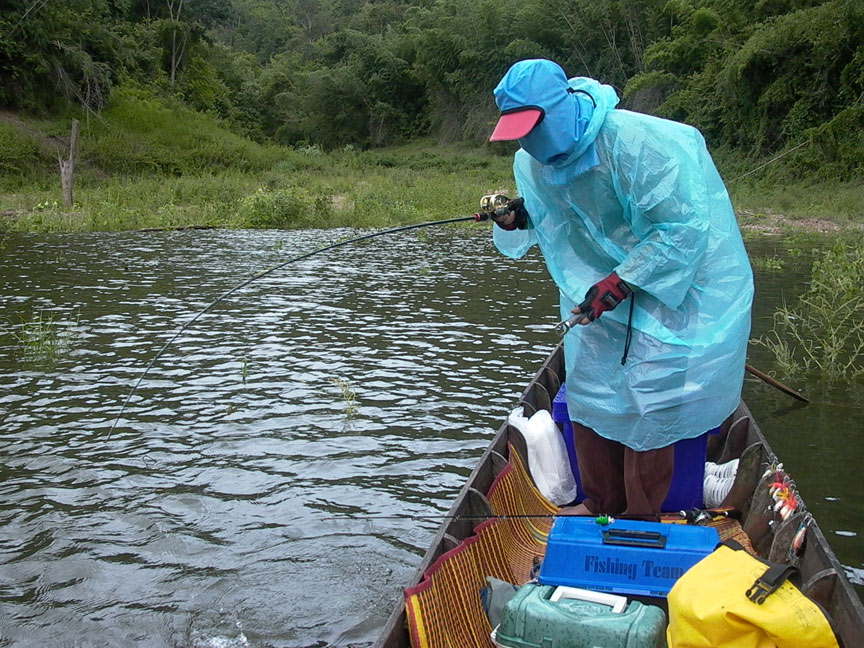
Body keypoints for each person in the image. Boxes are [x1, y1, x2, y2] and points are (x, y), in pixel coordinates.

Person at [487, 59, 754, 517]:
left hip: (676, 296)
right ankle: (599, 504)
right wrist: (522, 217)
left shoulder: (640, 143)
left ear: (560, 109)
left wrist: (623, 279)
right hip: (595, 298)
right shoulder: (532, 163)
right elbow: (559, 219)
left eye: (533, 127)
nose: (528, 141)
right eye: (518, 132)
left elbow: (683, 229)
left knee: (649, 407)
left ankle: (640, 518)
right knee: (591, 398)